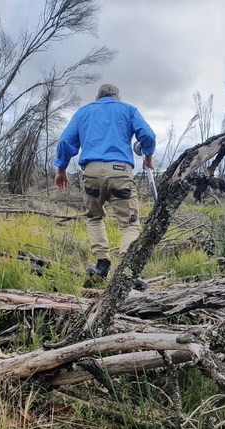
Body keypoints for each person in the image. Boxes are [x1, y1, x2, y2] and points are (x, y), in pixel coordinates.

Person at [54, 84, 156, 283]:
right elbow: (148, 136)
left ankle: (102, 264)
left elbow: (65, 141)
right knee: (129, 224)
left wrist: (61, 170)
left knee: (94, 218)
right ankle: (128, 272)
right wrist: (148, 156)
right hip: (120, 172)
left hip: (91, 172)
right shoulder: (127, 109)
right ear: (117, 96)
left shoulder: (84, 112)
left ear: (97, 97)